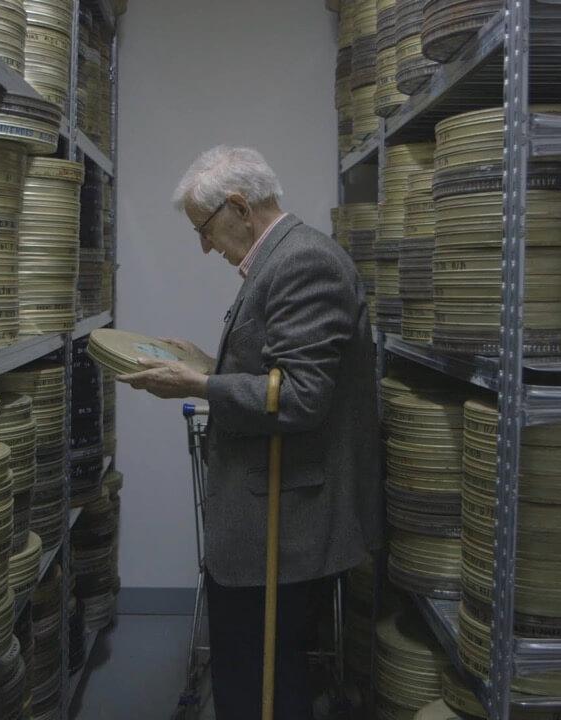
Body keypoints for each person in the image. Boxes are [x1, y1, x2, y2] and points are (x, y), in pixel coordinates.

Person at [118, 145, 381, 720]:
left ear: (239, 205)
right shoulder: (281, 259)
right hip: (272, 515)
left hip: (286, 525)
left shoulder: (302, 262)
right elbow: (279, 375)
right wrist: (210, 367)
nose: (205, 245)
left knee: (260, 683)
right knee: (256, 671)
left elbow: (303, 397)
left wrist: (199, 386)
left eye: (205, 229)